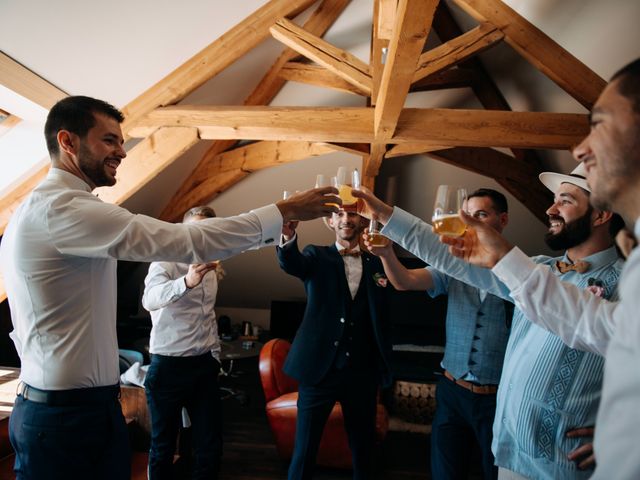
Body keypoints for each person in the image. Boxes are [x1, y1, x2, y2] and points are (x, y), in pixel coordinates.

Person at [0, 95, 340, 480]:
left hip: (83, 409)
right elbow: (184, 241)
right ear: (68, 142)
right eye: (109, 140)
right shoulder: (61, 210)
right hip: (64, 417)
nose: (122, 152)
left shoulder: (48, 210)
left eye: (121, 141)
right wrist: (284, 212)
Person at [438, 58, 640, 479]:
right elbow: (606, 331)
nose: (582, 149)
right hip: (510, 450)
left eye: (600, 124)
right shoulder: (555, 265)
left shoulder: (623, 275)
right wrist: (385, 216)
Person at [352, 168, 624, 480]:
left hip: (565, 463)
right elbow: (449, 256)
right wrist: (385, 214)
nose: (550, 209)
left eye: (565, 200)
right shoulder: (536, 268)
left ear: (601, 214)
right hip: (508, 450)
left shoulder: (630, 284)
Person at [364, 188, 512, 480]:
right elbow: (405, 281)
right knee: (445, 473)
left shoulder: (523, 271)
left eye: (481, 214)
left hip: (498, 399)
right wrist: (386, 253)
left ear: (503, 219)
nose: (471, 222)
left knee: (495, 473)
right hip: (452, 392)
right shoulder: (453, 267)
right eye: (468, 215)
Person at [276, 209, 393, 480]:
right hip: (319, 371)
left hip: (362, 373)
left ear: (362, 220)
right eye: (338, 214)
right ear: (328, 221)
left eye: (352, 214)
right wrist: (288, 236)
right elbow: (292, 263)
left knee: (363, 452)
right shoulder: (316, 256)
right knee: (304, 451)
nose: (345, 219)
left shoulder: (378, 263)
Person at [141, 206, 226, 479]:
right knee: (163, 445)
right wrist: (187, 281)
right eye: (194, 230)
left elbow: (207, 314)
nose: (200, 237)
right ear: (183, 230)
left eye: (207, 231)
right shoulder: (164, 261)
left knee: (210, 445)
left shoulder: (214, 265)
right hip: (168, 367)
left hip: (203, 366)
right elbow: (150, 300)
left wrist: (215, 355)